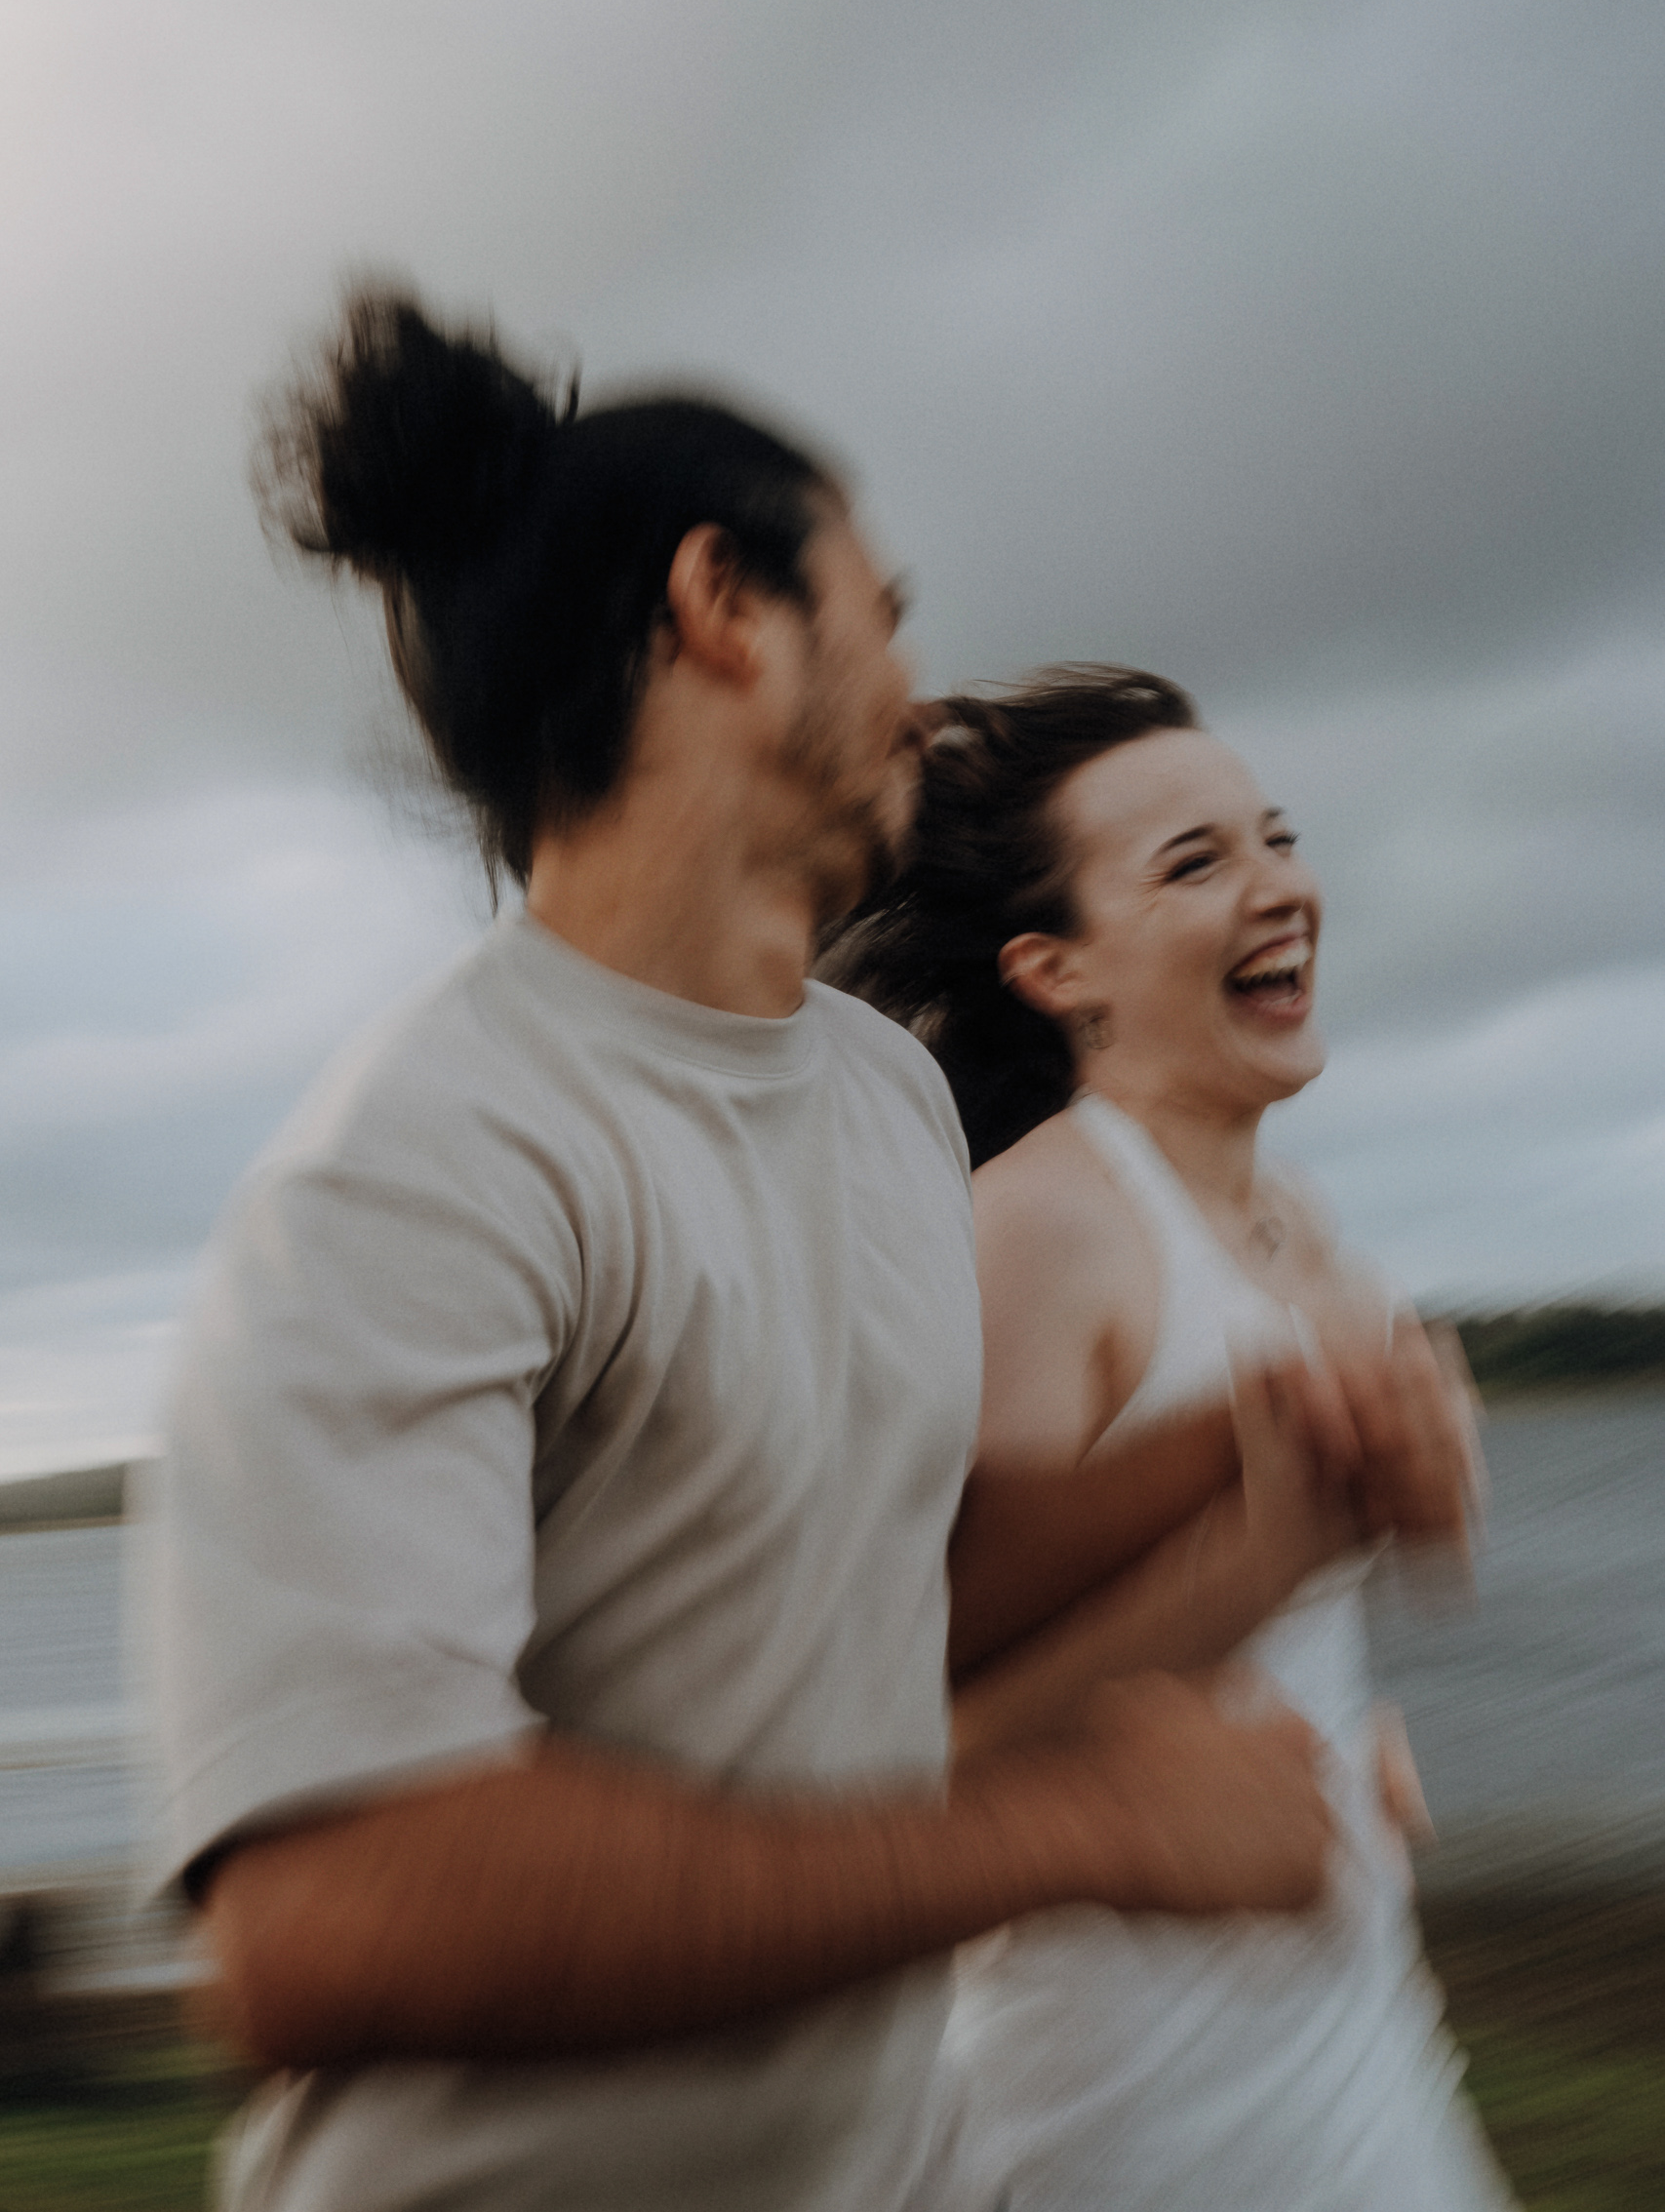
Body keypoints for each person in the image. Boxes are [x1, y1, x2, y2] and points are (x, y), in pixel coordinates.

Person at [150, 294, 1468, 2212]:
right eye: (882, 604)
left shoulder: (879, 1094)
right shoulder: (426, 1166)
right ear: (724, 609)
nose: (920, 686)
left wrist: (1270, 1443)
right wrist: (1074, 1826)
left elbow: (889, 1569)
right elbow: (325, 1917)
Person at [834, 664, 1512, 2211]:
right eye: (1195, 864)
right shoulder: (1039, 1230)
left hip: (1348, 1998)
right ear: (1055, 969)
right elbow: (918, 1737)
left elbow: (1274, 1618)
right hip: (1130, 2076)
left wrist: (1350, 1743)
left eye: (1277, 839)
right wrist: (1277, 1548)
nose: (1277, 888)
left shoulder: (1307, 1231)